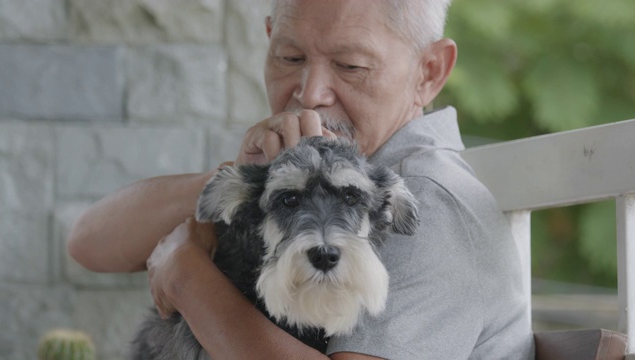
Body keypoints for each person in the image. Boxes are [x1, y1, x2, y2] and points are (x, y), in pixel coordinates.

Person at [68, 0, 535, 359]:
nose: (310, 94)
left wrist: (186, 278)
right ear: (268, 39)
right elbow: (88, 243)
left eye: (351, 66)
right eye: (290, 57)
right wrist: (240, 180)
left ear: (428, 73)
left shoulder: (427, 196)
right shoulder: (299, 175)